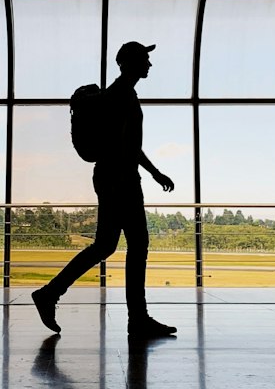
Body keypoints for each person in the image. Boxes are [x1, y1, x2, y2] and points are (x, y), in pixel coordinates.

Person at [31, 41, 178, 342]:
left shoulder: (125, 93)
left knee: (108, 246)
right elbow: (122, 146)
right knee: (133, 245)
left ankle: (51, 294)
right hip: (118, 180)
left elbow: (130, 145)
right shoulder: (120, 94)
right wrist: (144, 175)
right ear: (129, 62)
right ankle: (135, 318)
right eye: (145, 59)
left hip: (120, 177)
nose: (149, 64)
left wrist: (152, 172)